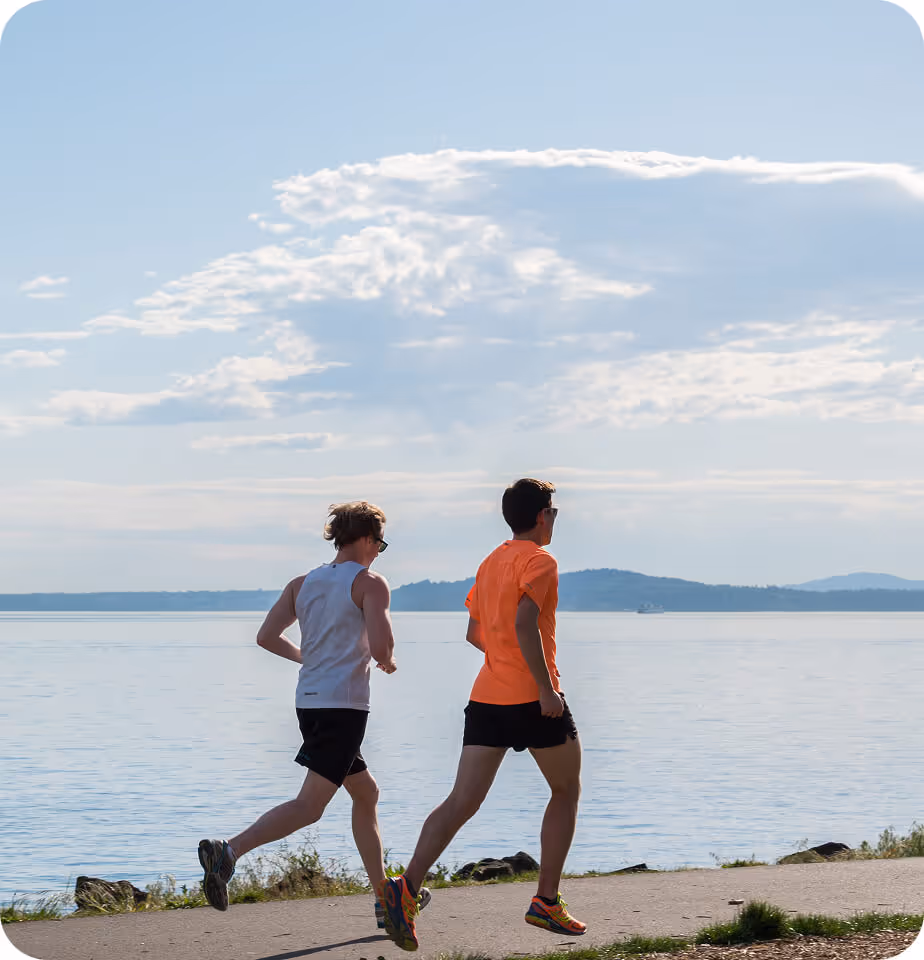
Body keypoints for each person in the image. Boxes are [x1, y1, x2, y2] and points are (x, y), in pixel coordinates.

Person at [197, 500, 429, 928]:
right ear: (364, 538)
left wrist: (310, 658)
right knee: (310, 806)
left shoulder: (302, 583)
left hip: (310, 703)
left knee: (366, 793)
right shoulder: (370, 583)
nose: (380, 550)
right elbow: (381, 648)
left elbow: (267, 637)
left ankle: (384, 899)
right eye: (380, 542)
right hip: (343, 709)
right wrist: (389, 660)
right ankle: (227, 852)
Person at [382, 478, 584, 952]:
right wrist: (543, 687)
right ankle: (546, 902)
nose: (555, 519)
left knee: (461, 801)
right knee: (566, 791)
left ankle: (406, 888)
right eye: (553, 511)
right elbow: (523, 624)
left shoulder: (492, 561)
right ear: (541, 516)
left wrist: (506, 662)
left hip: (488, 698)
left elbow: (475, 633)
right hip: (534, 700)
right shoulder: (541, 561)